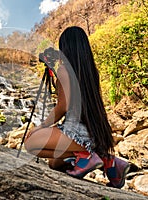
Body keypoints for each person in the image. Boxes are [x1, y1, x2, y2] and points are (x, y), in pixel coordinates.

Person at [24, 26, 130, 188]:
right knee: (54, 164)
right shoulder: (90, 72)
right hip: (94, 134)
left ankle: (86, 156)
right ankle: (108, 161)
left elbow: (63, 106)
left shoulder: (65, 70)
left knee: (31, 143)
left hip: (76, 134)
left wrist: (40, 127)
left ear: (65, 47)